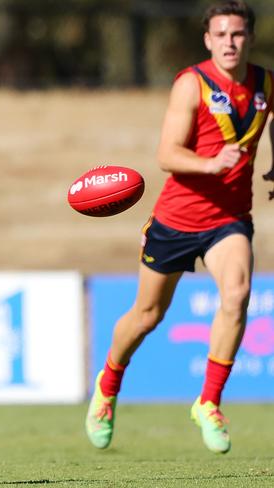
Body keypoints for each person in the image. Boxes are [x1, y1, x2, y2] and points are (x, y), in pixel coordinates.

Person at [85, 0, 273, 454]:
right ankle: (108, 385)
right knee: (148, 315)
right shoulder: (192, 84)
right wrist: (211, 164)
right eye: (221, 34)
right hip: (177, 218)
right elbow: (167, 154)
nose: (230, 42)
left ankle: (208, 402)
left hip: (229, 219)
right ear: (208, 40)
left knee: (237, 293)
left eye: (238, 33)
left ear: (249, 36)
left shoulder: (264, 83)